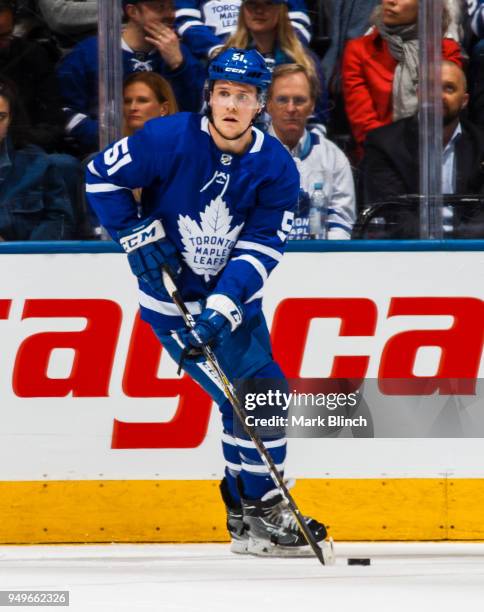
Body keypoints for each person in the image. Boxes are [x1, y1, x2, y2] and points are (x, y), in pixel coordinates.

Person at [86, 47, 331, 557]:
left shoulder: (277, 168)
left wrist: (222, 307)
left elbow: (261, 246)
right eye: (223, 93)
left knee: (251, 398)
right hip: (171, 303)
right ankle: (259, 509)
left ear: (258, 104)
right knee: (253, 398)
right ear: (209, 95)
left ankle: (246, 512)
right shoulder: (165, 138)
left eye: (243, 96)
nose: (231, 105)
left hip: (236, 307)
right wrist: (133, 235)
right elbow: (100, 176)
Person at [57, 0, 206, 155]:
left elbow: (196, 111)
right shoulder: (88, 52)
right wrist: (115, 137)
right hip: (106, 152)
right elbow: (67, 111)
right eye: (160, 7)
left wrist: (178, 65)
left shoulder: (181, 53)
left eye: (172, 7)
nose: (170, 15)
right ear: (132, 12)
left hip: (169, 151)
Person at [362, 61, 484, 234]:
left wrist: (456, 250)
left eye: (449, 88)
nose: (438, 95)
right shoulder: (384, 143)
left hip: (470, 251)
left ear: (464, 101)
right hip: (409, 251)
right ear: (419, 94)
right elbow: (392, 214)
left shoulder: (480, 145)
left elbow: (481, 216)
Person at [342, 0, 463, 157]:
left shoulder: (447, 51)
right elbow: (364, 126)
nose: (390, 1)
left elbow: (446, 117)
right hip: (379, 157)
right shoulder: (358, 51)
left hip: (434, 155)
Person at [267, 63, 356, 239]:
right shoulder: (247, 155)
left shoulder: (333, 157)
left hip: (319, 261)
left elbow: (342, 224)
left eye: (299, 100)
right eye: (282, 100)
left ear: (312, 105)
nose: (291, 108)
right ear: (268, 104)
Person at [223, 0, 328, 125]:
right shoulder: (226, 58)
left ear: (281, 10)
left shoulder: (304, 60)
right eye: (252, 4)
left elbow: (317, 117)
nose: (259, 10)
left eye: (268, 3)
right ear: (243, 10)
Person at [0, 79, 74, 241]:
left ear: (10, 120)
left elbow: (59, 219)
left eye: (1, 117)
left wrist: (27, 255)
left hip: (27, 262)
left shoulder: (36, 164)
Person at [174, 0, 311, 60]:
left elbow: (299, 22)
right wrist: (217, 49)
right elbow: (185, 19)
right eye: (252, 3)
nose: (259, 9)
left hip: (274, 53)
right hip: (213, 56)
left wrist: (282, 53)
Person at [123, 70, 178, 136]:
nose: (132, 108)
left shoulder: (180, 144)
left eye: (142, 101)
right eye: (127, 101)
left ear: (164, 109)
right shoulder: (115, 144)